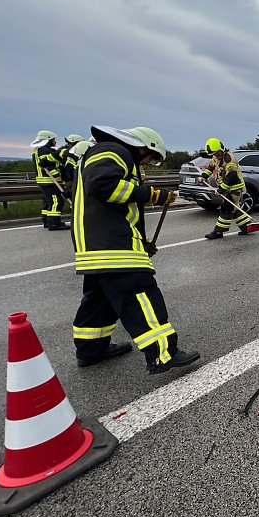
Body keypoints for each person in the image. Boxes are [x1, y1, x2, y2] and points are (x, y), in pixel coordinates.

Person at [70, 125, 200, 374]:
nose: (149, 163)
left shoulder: (103, 152)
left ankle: (90, 350)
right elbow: (103, 185)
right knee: (140, 294)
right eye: (151, 157)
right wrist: (151, 194)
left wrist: (141, 242)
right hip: (112, 245)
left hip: (96, 246)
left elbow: (114, 205)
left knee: (99, 302)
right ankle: (163, 354)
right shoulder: (113, 150)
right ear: (142, 147)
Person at [201, 138, 253, 238]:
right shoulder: (216, 157)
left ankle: (218, 232)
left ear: (221, 149)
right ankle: (246, 227)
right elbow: (211, 167)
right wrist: (204, 176)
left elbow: (231, 177)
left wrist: (221, 189)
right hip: (227, 188)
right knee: (235, 209)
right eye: (213, 154)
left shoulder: (230, 159)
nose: (215, 155)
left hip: (235, 188)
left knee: (226, 209)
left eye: (216, 153)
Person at [30, 129, 70, 230]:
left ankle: (47, 221)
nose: (55, 141)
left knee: (48, 202)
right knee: (56, 202)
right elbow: (50, 167)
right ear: (48, 140)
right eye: (53, 140)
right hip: (50, 181)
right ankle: (54, 224)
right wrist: (60, 181)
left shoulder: (37, 150)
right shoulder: (44, 150)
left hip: (43, 181)